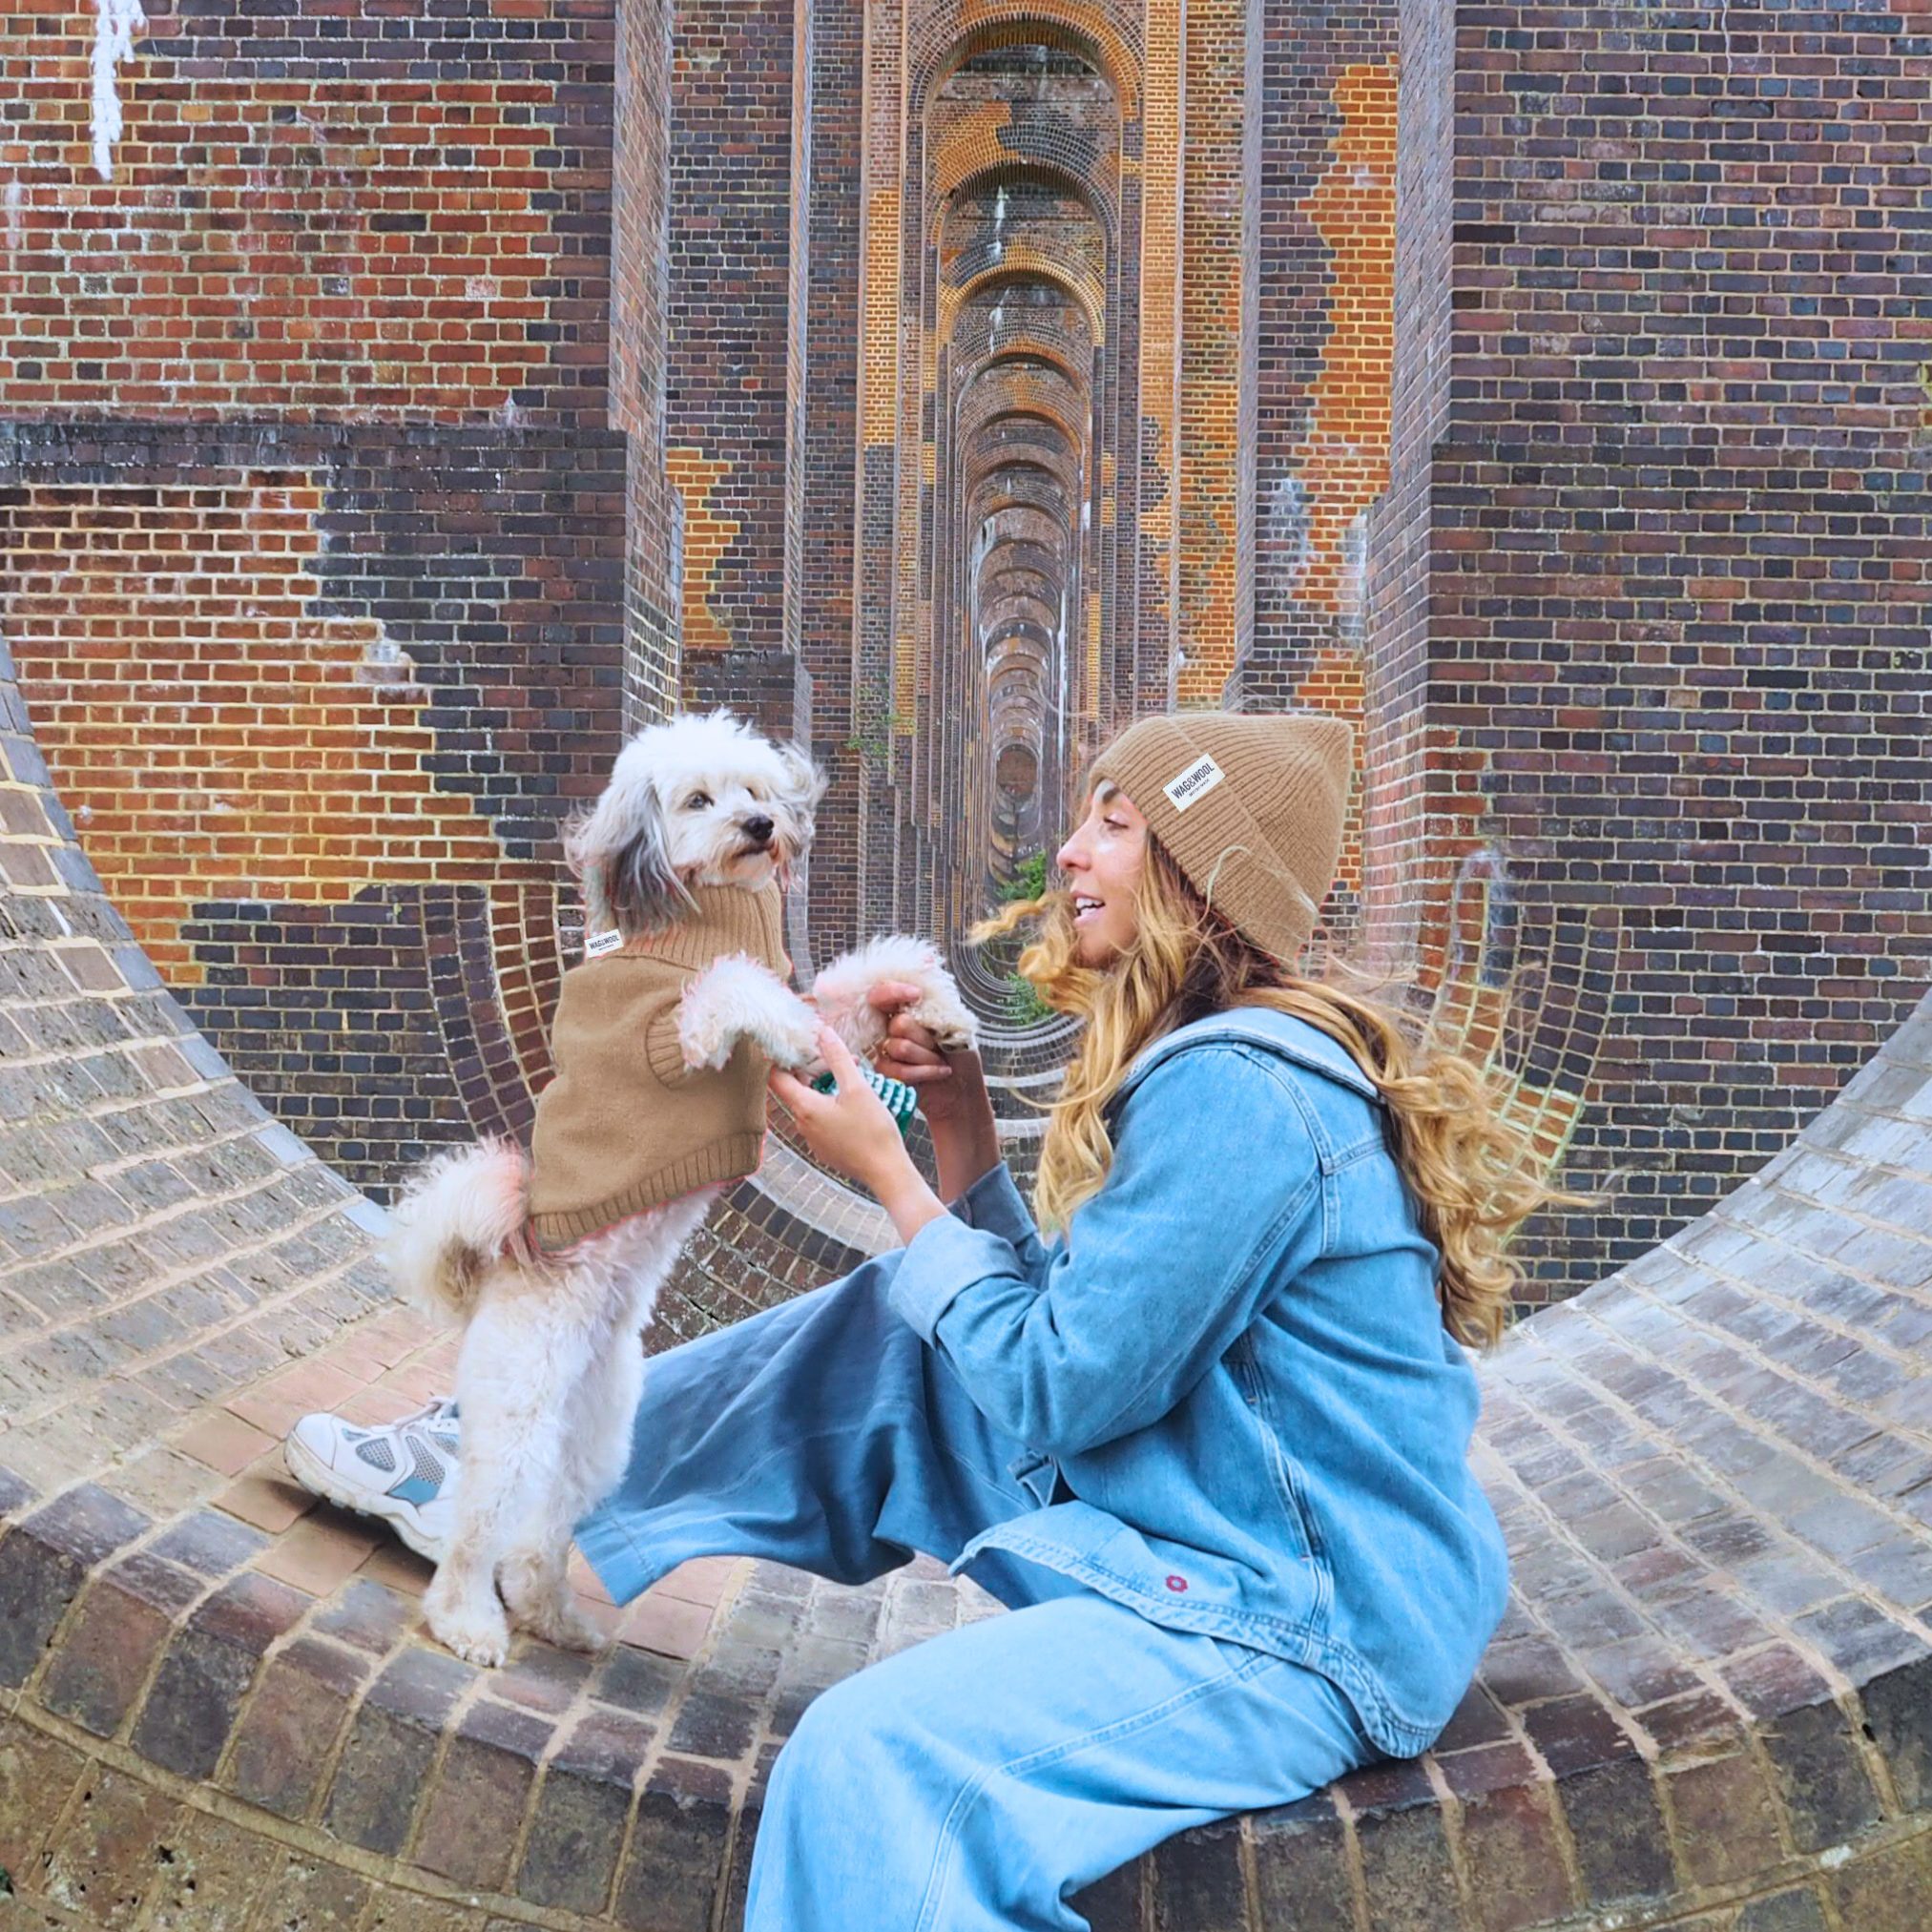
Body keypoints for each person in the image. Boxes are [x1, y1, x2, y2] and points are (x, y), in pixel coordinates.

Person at [290, 712, 1557, 1931]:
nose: (1070, 851)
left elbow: (1063, 1387)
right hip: (1208, 1514)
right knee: (899, 1333)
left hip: (1292, 1615)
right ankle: (485, 1483)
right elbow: (1083, 1322)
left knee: (870, 1766)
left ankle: (489, 1483)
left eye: (1114, 825)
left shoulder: (1240, 1096)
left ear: (1200, 879)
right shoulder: (1217, 1060)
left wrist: (887, 1180)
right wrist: (953, 1128)